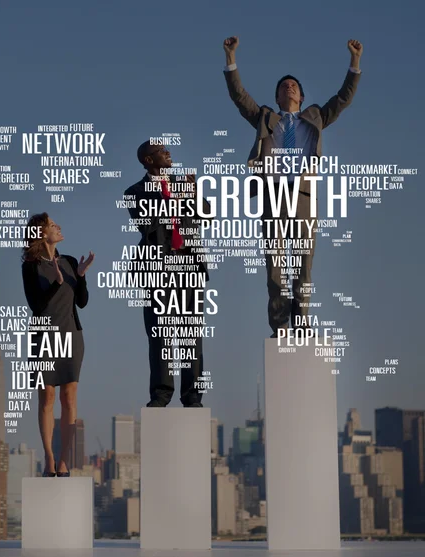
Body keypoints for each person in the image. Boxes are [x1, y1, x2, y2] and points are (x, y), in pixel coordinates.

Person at [222, 36, 363, 337]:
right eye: (284, 86)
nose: (289, 87)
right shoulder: (264, 117)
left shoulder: (314, 118)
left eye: (294, 86)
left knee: (304, 266)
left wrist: (354, 63)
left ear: (300, 97)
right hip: (273, 197)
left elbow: (343, 99)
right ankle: (280, 326)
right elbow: (239, 96)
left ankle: (302, 323)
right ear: (276, 98)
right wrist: (231, 57)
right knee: (275, 268)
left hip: (302, 198)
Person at [124, 141, 212, 407]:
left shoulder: (183, 185)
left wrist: (193, 194)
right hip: (157, 269)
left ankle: (193, 397)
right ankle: (161, 395)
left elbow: (205, 214)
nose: (168, 153)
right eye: (161, 151)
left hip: (188, 265)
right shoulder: (135, 192)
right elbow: (147, 223)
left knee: (191, 335)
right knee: (160, 335)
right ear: (148, 160)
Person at [21, 213, 94, 477]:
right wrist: (56, 282)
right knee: (47, 398)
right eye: (53, 225)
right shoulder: (30, 266)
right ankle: (49, 458)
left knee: (69, 397)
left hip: (72, 335)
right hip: (45, 335)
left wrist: (81, 276)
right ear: (41, 233)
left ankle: (64, 462)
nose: (59, 227)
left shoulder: (70, 261)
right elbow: (37, 306)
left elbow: (82, 302)